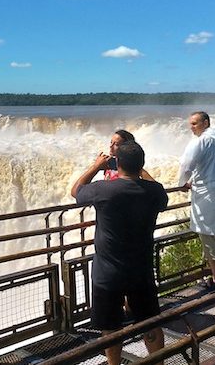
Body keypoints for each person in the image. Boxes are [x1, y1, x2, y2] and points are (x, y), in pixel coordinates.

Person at [71, 142, 167, 365]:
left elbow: (76, 191)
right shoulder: (155, 192)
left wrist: (96, 166)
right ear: (141, 164)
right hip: (141, 271)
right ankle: (159, 362)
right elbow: (159, 192)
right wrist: (141, 170)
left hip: (108, 273)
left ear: (118, 164)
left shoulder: (104, 189)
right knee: (150, 323)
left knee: (111, 327)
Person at [178, 112, 215, 290]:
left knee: (208, 235)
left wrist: (181, 184)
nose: (191, 127)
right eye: (191, 124)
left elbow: (186, 164)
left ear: (206, 122)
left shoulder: (200, 141)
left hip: (207, 194)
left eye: (195, 123)